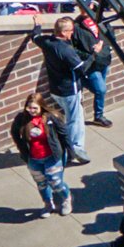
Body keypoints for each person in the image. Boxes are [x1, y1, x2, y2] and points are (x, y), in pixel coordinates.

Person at [32, 16, 92, 164]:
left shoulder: (47, 42)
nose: (72, 33)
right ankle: (74, 149)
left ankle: (71, 147)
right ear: (64, 32)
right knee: (75, 120)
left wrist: (37, 25)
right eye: (71, 31)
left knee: (72, 116)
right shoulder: (66, 50)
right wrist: (94, 55)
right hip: (69, 91)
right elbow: (81, 69)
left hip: (55, 89)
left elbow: (35, 37)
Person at [11, 90, 73, 216]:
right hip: (34, 158)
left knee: (56, 182)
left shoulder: (51, 117)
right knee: (41, 184)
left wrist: (70, 151)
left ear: (41, 106)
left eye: (34, 108)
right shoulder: (22, 119)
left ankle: (66, 199)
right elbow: (15, 133)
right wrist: (23, 150)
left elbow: (64, 134)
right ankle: (48, 204)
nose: (31, 111)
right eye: (29, 107)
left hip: (52, 157)